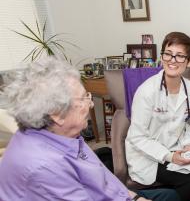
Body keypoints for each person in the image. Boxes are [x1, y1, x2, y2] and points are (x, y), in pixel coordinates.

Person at [0, 58, 178, 201]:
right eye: (83, 98)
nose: (91, 103)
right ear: (56, 114)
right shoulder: (44, 167)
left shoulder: (65, 134)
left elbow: (103, 178)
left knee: (170, 195)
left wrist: (136, 197)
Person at [125, 32, 190, 201]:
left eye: (180, 56)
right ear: (162, 56)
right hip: (148, 155)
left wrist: (189, 145)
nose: (172, 60)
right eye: (168, 54)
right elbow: (137, 137)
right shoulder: (147, 92)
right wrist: (170, 156)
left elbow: (188, 124)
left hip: (175, 147)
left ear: (189, 61)